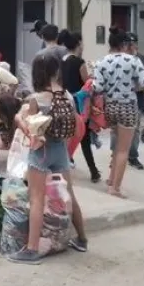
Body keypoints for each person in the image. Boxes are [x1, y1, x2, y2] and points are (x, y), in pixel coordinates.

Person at [9, 52, 89, 264]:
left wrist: (18, 117)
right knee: (69, 194)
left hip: (41, 152)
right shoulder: (68, 96)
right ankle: (81, 238)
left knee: (36, 198)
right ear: (56, 72)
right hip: (61, 151)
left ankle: (32, 249)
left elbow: (28, 127)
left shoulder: (35, 99)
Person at [93, 28, 144, 198]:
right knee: (123, 150)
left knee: (116, 146)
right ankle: (115, 188)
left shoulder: (101, 62)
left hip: (110, 106)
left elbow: (97, 87)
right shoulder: (133, 60)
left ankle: (111, 179)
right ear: (125, 44)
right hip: (128, 107)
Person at [59, 30, 101, 182]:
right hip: (79, 103)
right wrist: (93, 75)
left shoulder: (62, 61)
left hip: (64, 101)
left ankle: (63, 166)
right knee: (84, 137)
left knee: (67, 136)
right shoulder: (79, 62)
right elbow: (86, 82)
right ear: (78, 44)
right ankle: (94, 171)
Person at [109, 33, 144, 170]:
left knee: (135, 130)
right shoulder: (114, 60)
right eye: (128, 43)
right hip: (117, 100)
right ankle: (115, 154)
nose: (130, 46)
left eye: (133, 43)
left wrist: (134, 88)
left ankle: (132, 155)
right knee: (115, 130)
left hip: (136, 99)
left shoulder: (139, 59)